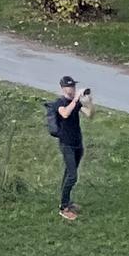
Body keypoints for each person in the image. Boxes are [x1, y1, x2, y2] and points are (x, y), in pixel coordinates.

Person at [48, 76, 92, 219]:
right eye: (70, 87)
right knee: (72, 176)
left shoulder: (75, 103)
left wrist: (89, 102)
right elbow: (65, 113)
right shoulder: (59, 103)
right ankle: (63, 207)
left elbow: (90, 114)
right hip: (66, 144)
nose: (72, 89)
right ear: (63, 88)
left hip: (77, 143)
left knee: (68, 173)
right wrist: (75, 100)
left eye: (73, 86)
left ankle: (67, 201)